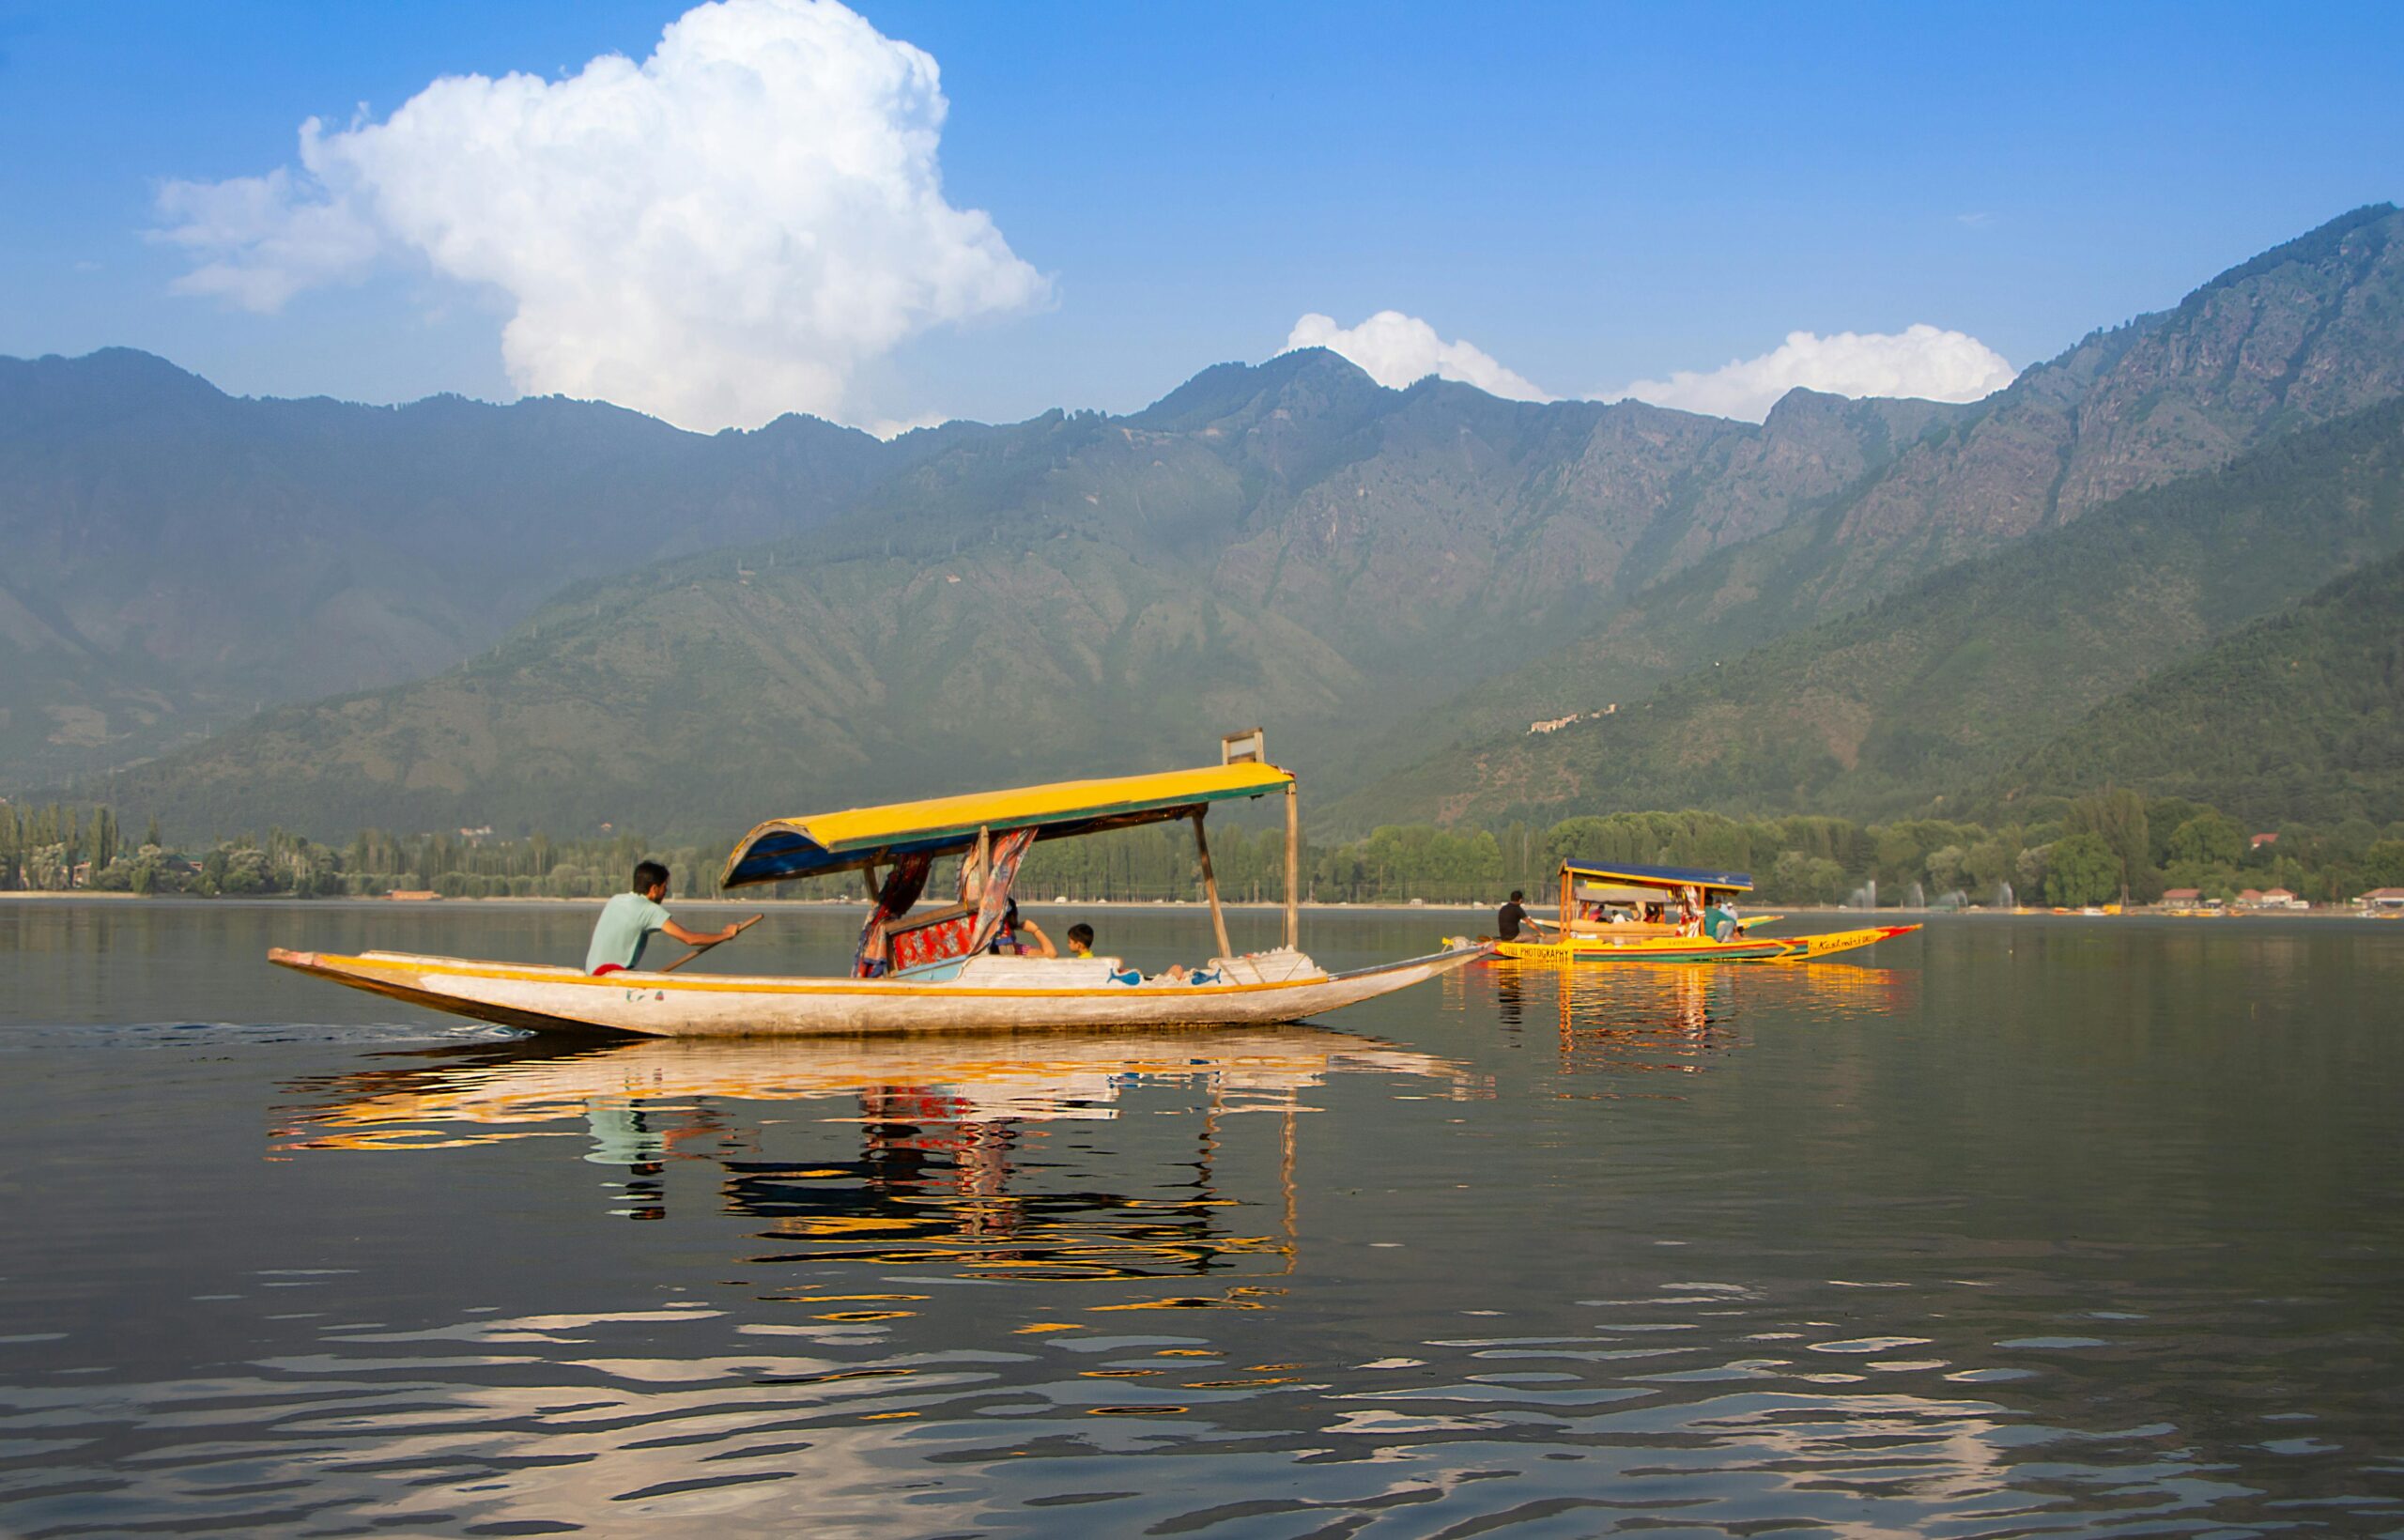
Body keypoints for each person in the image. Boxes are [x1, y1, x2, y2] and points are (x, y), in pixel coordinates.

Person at [586, 861, 737, 975]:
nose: (666, 891)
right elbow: (689, 939)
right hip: (609, 976)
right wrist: (726, 935)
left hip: (591, 974)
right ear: (654, 889)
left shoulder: (615, 900)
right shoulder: (650, 909)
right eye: (665, 886)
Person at [990, 899, 1056, 958]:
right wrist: (1035, 930)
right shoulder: (1018, 950)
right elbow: (1051, 954)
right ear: (1013, 917)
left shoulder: (982, 947)